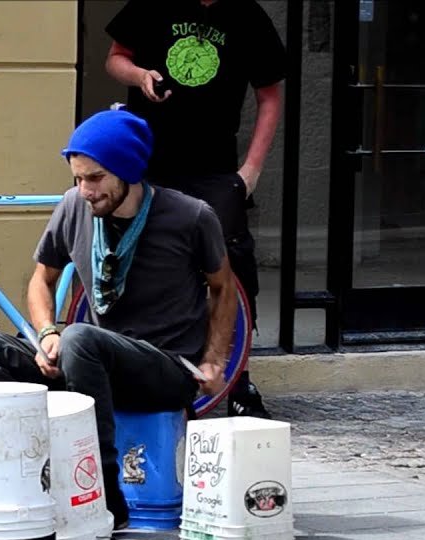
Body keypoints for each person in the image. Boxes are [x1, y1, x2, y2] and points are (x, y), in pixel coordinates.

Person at [0, 109, 237, 529]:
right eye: (77, 178)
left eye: (95, 178)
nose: (84, 190)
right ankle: (18, 477)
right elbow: (41, 279)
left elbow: (223, 288)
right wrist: (46, 334)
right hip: (89, 365)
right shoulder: (74, 207)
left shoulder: (191, 216)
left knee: (81, 339)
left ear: (127, 170)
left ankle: (103, 497)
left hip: (164, 368)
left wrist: (214, 360)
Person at [105, 0, 284, 419]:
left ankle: (238, 380)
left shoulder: (248, 15)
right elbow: (115, 58)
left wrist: (251, 170)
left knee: (232, 265)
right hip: (148, 161)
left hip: (215, 167)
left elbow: (270, 96)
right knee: (140, 261)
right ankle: (140, 370)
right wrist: (139, 75)